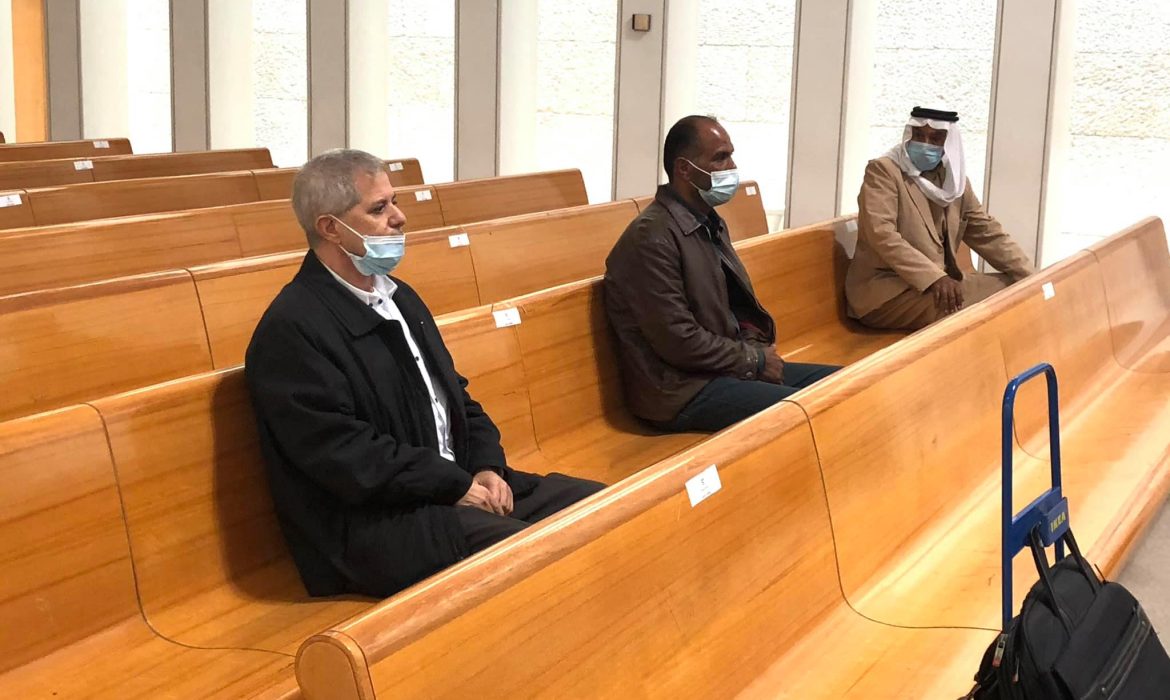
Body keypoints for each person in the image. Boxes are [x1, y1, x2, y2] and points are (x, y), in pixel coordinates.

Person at [245, 149, 604, 598]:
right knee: (538, 557)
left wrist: (487, 467)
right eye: (379, 208)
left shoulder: (400, 297)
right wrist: (453, 485)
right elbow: (346, 456)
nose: (399, 218)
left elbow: (455, 396)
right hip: (372, 525)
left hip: (448, 487)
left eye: (394, 202)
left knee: (606, 507)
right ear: (330, 228)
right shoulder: (293, 329)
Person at [604, 115, 840, 434]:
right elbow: (678, 340)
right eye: (720, 158)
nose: (732, 166)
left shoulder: (708, 221)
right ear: (684, 169)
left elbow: (733, 306)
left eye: (730, 155)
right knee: (814, 411)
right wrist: (754, 361)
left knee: (846, 384)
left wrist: (755, 351)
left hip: (720, 369)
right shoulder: (652, 237)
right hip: (680, 391)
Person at [846, 106, 1036, 330]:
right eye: (919, 136)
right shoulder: (884, 171)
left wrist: (1032, 276)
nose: (924, 144)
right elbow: (882, 235)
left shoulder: (954, 181)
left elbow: (988, 232)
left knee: (1018, 288)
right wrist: (934, 277)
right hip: (887, 292)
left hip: (938, 285)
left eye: (935, 138)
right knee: (998, 304)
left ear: (949, 143)